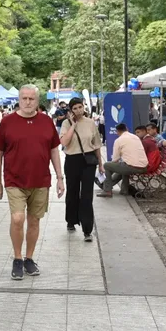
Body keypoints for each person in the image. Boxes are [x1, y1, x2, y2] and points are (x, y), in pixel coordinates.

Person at [0, 85, 63, 281]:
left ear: (37, 101)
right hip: (14, 180)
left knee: (34, 221)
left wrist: (59, 177)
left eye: (31, 99)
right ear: (19, 99)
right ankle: (17, 258)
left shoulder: (46, 121)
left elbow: (54, 151)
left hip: (40, 180)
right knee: (17, 219)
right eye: (24, 98)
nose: (27, 102)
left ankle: (29, 258)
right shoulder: (7, 122)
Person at [59, 97, 104, 243]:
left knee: (86, 195)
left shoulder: (91, 123)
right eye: (75, 108)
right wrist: (72, 124)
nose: (78, 110)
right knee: (72, 192)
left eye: (80, 107)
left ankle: (87, 229)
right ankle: (71, 220)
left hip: (89, 161)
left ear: (83, 107)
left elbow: (96, 144)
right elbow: (64, 142)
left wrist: (101, 164)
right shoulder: (66, 123)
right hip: (72, 160)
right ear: (70, 110)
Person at [99, 124, 148, 197]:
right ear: (127, 129)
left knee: (107, 165)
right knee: (124, 165)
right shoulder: (135, 137)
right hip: (144, 167)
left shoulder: (118, 140)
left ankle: (107, 190)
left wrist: (106, 170)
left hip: (132, 167)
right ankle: (124, 190)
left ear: (117, 132)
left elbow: (115, 160)